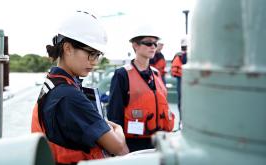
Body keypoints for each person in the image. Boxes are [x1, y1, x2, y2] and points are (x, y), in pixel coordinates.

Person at [31, 11, 129, 165]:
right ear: (68, 48)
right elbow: (119, 148)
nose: (95, 62)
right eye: (91, 54)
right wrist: (119, 131)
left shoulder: (53, 84)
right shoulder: (69, 96)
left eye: (97, 55)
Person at [107, 25, 175, 152]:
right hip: (132, 144)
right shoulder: (122, 74)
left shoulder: (156, 74)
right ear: (135, 45)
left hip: (158, 142)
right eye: (148, 43)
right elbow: (114, 113)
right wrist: (120, 146)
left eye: (155, 43)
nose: (153, 46)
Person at [171, 37, 188, 129]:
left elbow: (174, 72)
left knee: (181, 102)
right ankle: (183, 122)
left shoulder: (178, 56)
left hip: (181, 81)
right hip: (186, 82)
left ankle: (181, 122)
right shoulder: (184, 57)